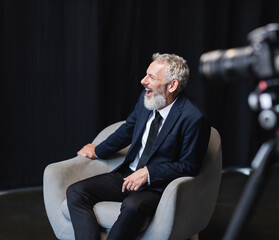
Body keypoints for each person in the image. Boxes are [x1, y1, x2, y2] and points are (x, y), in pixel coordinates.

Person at [66, 53, 211, 240]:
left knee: (132, 206)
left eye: (151, 77)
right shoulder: (147, 98)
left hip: (158, 186)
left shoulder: (194, 118)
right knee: (76, 192)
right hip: (127, 174)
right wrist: (98, 150)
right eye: (146, 75)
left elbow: (189, 166)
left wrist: (149, 173)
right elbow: (127, 129)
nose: (143, 81)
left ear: (172, 85)